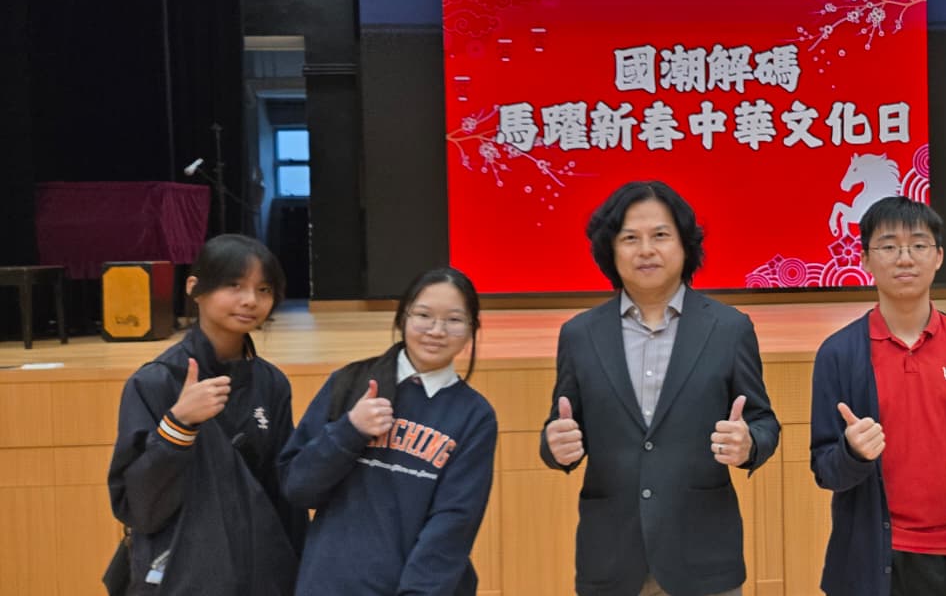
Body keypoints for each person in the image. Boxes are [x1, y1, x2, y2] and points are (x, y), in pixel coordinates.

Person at [539, 180, 780, 596]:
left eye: (660, 235)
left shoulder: (729, 329)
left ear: (685, 245)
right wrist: (554, 446)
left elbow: (763, 422)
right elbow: (561, 428)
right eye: (630, 238)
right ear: (610, 250)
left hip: (703, 556)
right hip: (611, 558)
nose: (646, 250)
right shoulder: (579, 335)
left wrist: (749, 444)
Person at [809, 196, 946, 596]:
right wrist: (853, 454)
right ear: (865, 260)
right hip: (868, 562)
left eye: (918, 245)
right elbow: (825, 471)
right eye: (888, 246)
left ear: (938, 257)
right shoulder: (838, 354)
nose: (904, 258)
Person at [106, 233, 305, 595]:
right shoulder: (155, 381)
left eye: (263, 289)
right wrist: (177, 426)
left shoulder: (272, 383)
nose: (250, 300)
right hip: (184, 576)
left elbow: (284, 496)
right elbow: (137, 507)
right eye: (234, 285)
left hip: (262, 575)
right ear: (195, 288)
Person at [279, 267, 497, 595]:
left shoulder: (474, 415)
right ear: (402, 317)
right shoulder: (350, 383)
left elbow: (454, 523)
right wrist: (350, 430)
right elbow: (297, 488)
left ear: (472, 329)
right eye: (423, 315)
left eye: (454, 320)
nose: (437, 330)